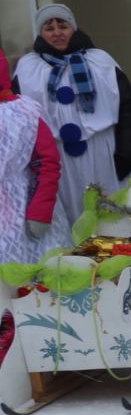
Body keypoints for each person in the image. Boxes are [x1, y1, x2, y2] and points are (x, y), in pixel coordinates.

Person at [14, 4, 131, 233]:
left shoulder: (100, 61)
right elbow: (17, 118)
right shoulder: (28, 68)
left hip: (102, 152)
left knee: (110, 213)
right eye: (49, 27)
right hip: (57, 158)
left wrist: (126, 153)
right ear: (40, 34)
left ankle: (116, 261)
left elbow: (128, 107)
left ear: (74, 28)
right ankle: (76, 264)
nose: (57, 32)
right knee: (69, 216)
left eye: (63, 25)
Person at [0, 48, 62, 263]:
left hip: (20, 210)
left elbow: (48, 162)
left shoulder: (22, 111)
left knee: (23, 281)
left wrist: (41, 210)